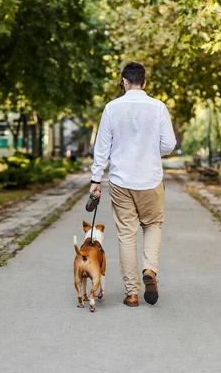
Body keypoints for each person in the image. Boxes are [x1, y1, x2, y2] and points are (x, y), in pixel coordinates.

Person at [89, 62, 176, 307]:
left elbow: (102, 149)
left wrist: (96, 180)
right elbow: (169, 144)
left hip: (121, 181)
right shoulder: (158, 107)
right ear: (144, 83)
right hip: (150, 180)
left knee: (127, 235)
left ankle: (132, 293)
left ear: (124, 82)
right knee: (153, 225)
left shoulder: (111, 108)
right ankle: (149, 269)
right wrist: (151, 151)